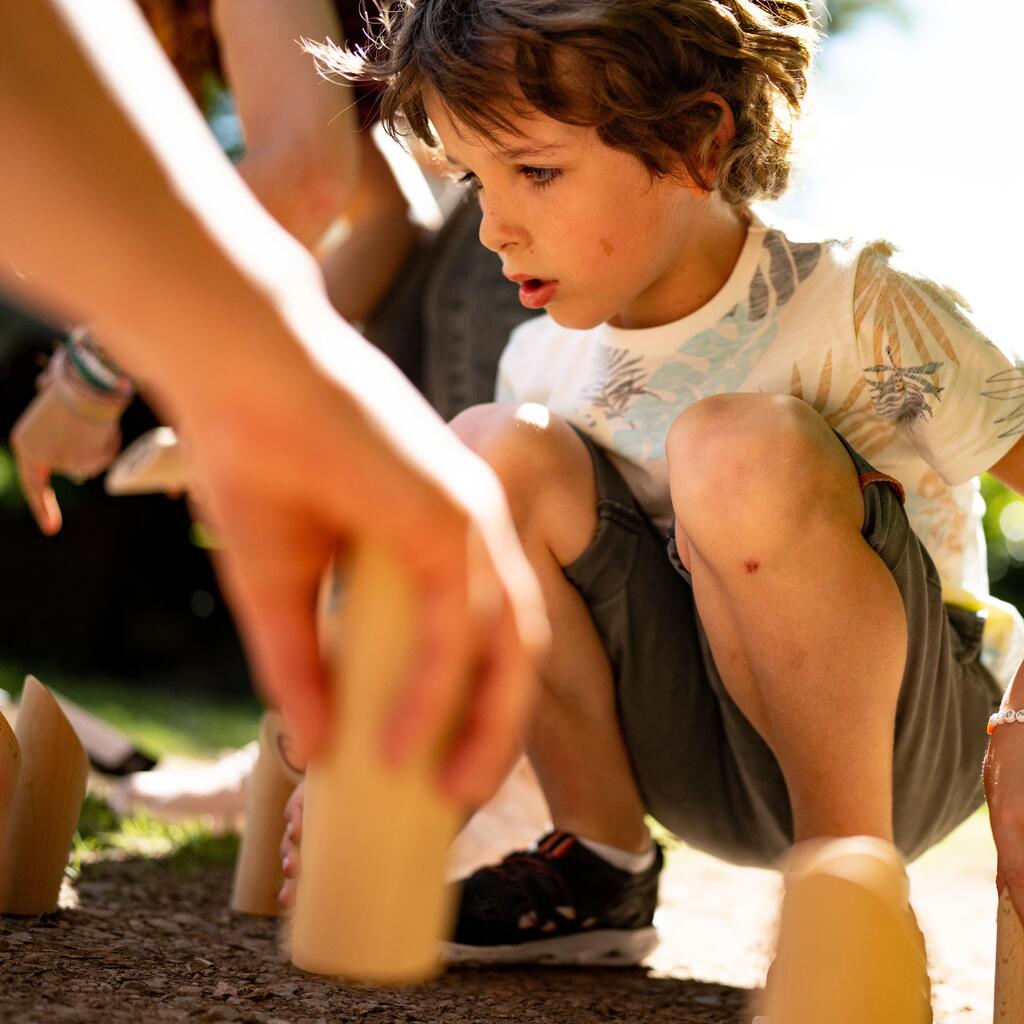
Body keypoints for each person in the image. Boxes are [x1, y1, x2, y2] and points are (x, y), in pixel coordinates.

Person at [294, 0, 1024, 1011]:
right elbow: (510, 613)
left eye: (535, 171)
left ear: (695, 139)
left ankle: (852, 887)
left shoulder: (859, 304)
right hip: (688, 756)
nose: (494, 225)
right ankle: (599, 864)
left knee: (733, 447)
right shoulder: (541, 356)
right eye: (474, 179)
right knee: (491, 449)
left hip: (904, 749)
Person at [0, 0, 547, 804]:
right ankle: (318, 762)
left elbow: (305, 176)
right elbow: (380, 223)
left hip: (525, 209)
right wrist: (249, 385)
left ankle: (481, 798)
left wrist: (101, 366)